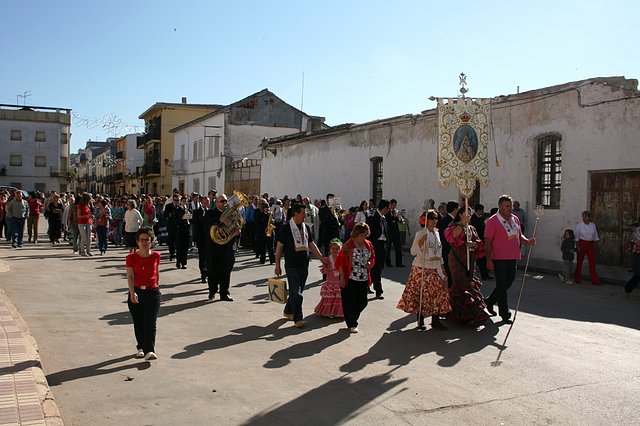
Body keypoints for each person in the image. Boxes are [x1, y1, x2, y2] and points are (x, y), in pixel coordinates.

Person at [274, 202, 328, 328]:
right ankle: (298, 318)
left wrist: (322, 258)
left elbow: (312, 245)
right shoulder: (286, 228)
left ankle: (288, 311)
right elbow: (279, 248)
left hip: (304, 264)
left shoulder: (306, 228)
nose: (305, 215)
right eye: (303, 213)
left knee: (296, 291)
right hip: (291, 265)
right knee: (296, 293)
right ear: (295, 213)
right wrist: (277, 265)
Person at [484, 195, 536, 322]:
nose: (510, 208)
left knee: (508, 282)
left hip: (512, 256)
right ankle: (504, 313)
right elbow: (488, 241)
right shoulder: (493, 221)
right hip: (499, 257)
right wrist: (489, 259)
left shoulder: (515, 219)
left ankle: (489, 300)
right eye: (507, 206)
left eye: (511, 206)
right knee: (501, 285)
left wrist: (527, 241)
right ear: (500, 206)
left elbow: (519, 235)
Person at [396, 210, 451, 331]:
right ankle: (420, 319)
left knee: (437, 293)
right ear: (426, 220)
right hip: (423, 267)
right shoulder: (420, 233)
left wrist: (442, 266)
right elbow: (413, 251)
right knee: (422, 294)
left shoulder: (437, 233)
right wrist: (421, 243)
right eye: (432, 219)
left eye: (436, 219)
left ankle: (435, 320)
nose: (434, 221)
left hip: (435, 267)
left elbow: (439, 251)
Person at [445, 207, 490, 325]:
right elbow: (453, 236)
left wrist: (475, 244)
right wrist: (462, 225)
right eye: (466, 214)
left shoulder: (472, 228)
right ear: (460, 215)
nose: (469, 216)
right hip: (457, 260)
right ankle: (458, 314)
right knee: (460, 284)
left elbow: (478, 242)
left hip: (470, 260)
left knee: (469, 283)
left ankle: (470, 314)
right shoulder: (454, 226)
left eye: (470, 214)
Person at [126, 227, 161, 361]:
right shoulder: (131, 257)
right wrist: (132, 293)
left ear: (151, 241)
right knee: (139, 322)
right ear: (137, 242)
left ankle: (149, 350)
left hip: (152, 292)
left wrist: (157, 286)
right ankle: (141, 347)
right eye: (142, 240)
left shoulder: (156, 256)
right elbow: (130, 277)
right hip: (137, 292)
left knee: (150, 322)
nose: (144, 242)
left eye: (147, 240)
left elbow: (156, 273)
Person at [335, 222, 374, 333]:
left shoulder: (368, 244)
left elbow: (372, 256)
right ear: (356, 234)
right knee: (349, 302)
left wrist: (370, 263)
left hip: (363, 277)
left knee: (363, 302)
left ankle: (352, 318)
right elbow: (341, 262)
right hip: (350, 278)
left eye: (365, 235)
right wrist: (342, 277)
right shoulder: (348, 245)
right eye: (361, 235)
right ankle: (352, 323)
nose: (363, 238)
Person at [203, 194, 237, 301]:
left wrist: (237, 232)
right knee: (213, 270)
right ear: (217, 203)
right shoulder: (211, 212)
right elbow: (206, 221)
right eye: (222, 201)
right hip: (214, 248)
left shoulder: (232, 214)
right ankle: (212, 291)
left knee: (226, 271)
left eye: (226, 201)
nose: (224, 203)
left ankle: (224, 293)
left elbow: (237, 226)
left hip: (228, 247)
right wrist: (220, 219)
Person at [366, 199, 390, 299]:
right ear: (384, 208)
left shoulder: (383, 218)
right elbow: (369, 232)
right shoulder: (373, 217)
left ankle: (369, 285)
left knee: (380, 267)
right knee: (376, 269)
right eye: (387, 208)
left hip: (382, 245)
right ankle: (378, 290)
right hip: (375, 245)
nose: (388, 210)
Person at [314, 238, 344, 318]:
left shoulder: (342, 259)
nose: (335, 250)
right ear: (330, 249)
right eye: (333, 248)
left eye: (337, 249)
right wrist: (325, 269)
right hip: (330, 282)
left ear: (341, 249)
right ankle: (328, 311)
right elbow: (324, 271)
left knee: (339, 297)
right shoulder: (327, 260)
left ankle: (337, 312)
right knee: (329, 297)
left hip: (339, 281)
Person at [437, 200, 460, 288]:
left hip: (449, 250)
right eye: (457, 209)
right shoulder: (447, 221)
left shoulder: (448, 219)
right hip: (448, 250)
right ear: (455, 210)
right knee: (451, 274)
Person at [574, 211, 600, 285]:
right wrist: (577, 246)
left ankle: (595, 280)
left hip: (590, 245)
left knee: (592, 263)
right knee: (579, 262)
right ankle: (577, 278)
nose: (584, 218)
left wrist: (595, 245)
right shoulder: (579, 225)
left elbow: (595, 235)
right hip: (582, 244)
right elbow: (577, 237)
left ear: (589, 217)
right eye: (583, 216)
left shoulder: (593, 225)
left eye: (585, 216)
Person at [470, 204, 492, 280]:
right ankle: (484, 275)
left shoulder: (480, 218)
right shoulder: (474, 218)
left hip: (481, 240)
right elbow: (478, 229)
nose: (483, 212)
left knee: (483, 259)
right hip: (477, 241)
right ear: (478, 210)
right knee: (481, 259)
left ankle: (485, 274)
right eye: (481, 210)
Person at [192, 196, 209, 283]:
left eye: (207, 203)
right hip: (201, 238)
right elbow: (195, 223)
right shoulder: (196, 212)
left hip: (209, 238)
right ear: (201, 203)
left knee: (209, 257)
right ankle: (203, 274)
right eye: (204, 202)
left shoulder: (210, 212)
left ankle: (208, 273)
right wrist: (203, 217)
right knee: (202, 257)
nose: (206, 204)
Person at [254, 198, 275, 264]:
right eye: (262, 204)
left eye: (265, 204)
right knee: (262, 246)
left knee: (270, 247)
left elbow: (272, 220)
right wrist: (263, 213)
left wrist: (272, 221)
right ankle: (262, 260)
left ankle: (272, 260)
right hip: (261, 231)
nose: (264, 205)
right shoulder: (256, 211)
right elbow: (257, 221)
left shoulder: (269, 211)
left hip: (269, 231)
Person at [385, 199, 405, 267]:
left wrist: (399, 218)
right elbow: (388, 221)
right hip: (389, 232)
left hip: (396, 232)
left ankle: (399, 263)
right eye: (394, 205)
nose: (395, 207)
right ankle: (388, 263)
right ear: (390, 205)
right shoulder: (387, 212)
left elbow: (399, 220)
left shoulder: (396, 212)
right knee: (388, 248)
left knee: (398, 248)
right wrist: (394, 218)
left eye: (395, 205)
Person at [624, 221, 640, 297]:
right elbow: (635, 242)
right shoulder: (637, 231)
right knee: (638, 275)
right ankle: (627, 288)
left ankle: (627, 288)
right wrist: (636, 242)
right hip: (638, 254)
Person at [174, 196, 191, 269]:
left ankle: (184, 262)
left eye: (185, 201)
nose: (184, 202)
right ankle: (178, 262)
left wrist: (189, 217)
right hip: (180, 230)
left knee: (185, 248)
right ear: (181, 202)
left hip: (186, 230)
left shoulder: (188, 209)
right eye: (183, 201)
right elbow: (176, 221)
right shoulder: (178, 210)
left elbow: (191, 219)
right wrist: (182, 218)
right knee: (179, 247)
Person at [163, 193, 181, 261]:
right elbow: (165, 214)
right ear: (173, 200)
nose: (176, 201)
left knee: (178, 241)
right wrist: (170, 215)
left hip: (179, 226)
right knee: (171, 241)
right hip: (171, 226)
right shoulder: (168, 206)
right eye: (175, 200)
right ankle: (172, 254)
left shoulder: (180, 206)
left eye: (177, 200)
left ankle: (177, 253)